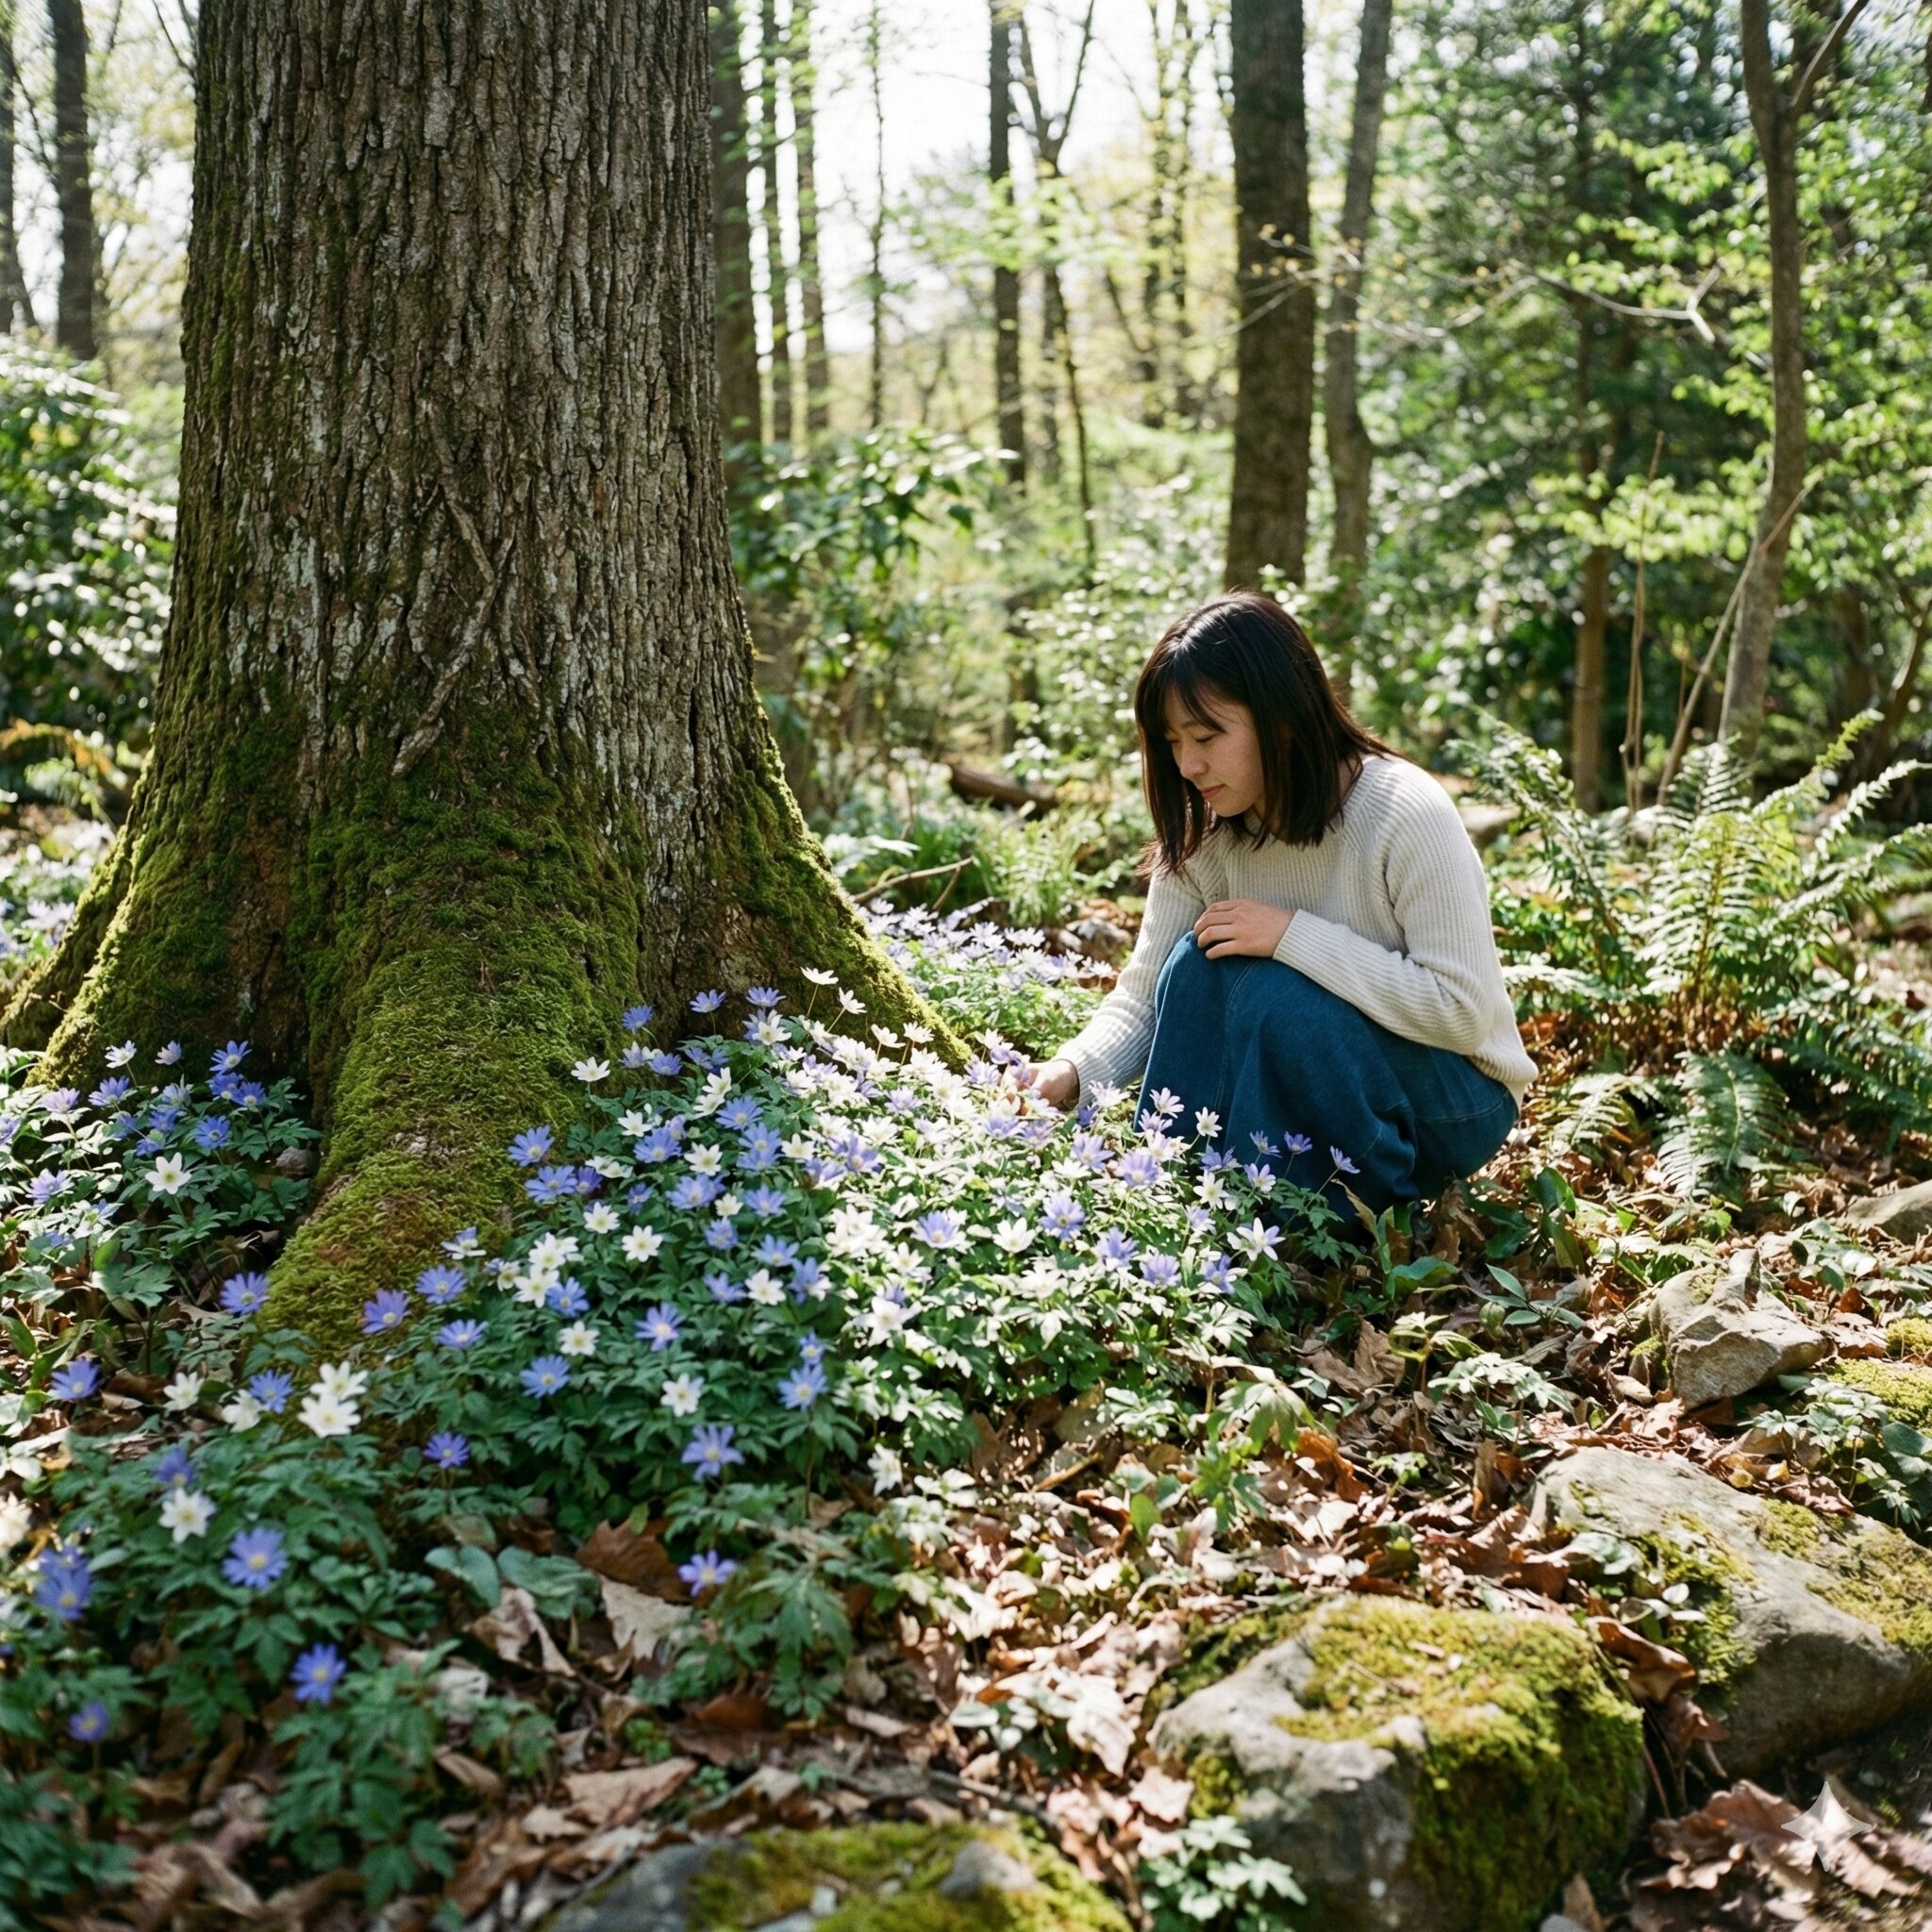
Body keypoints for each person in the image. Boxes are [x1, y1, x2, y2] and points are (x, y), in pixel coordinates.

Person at [1021, 591, 1535, 1217]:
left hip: (1453, 1100)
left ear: (1283, 717)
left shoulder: (1405, 811)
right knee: (1195, 964)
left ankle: (1316, 1219)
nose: (1189, 763)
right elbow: (1145, 997)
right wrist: (1069, 1073)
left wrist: (1293, 936)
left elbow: (1461, 1013)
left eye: (1207, 735)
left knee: (1272, 995)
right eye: (1174, 741)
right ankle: (1171, 1202)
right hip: (1316, 1073)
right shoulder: (1206, 835)